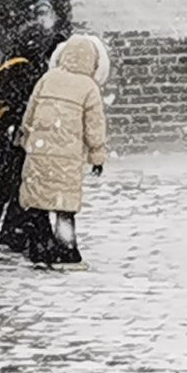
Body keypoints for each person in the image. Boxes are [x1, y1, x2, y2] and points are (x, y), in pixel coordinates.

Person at [16, 34, 111, 265]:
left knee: (38, 203)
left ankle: (41, 249)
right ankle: (67, 252)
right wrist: (97, 156)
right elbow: (94, 127)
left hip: (40, 153)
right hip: (67, 157)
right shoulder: (89, 87)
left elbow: (30, 112)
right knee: (64, 207)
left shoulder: (48, 78)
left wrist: (24, 138)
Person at [0, 22, 52, 260]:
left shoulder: (8, 61)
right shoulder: (28, 68)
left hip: (1, 139)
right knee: (15, 188)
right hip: (14, 140)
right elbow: (22, 106)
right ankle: (8, 234)